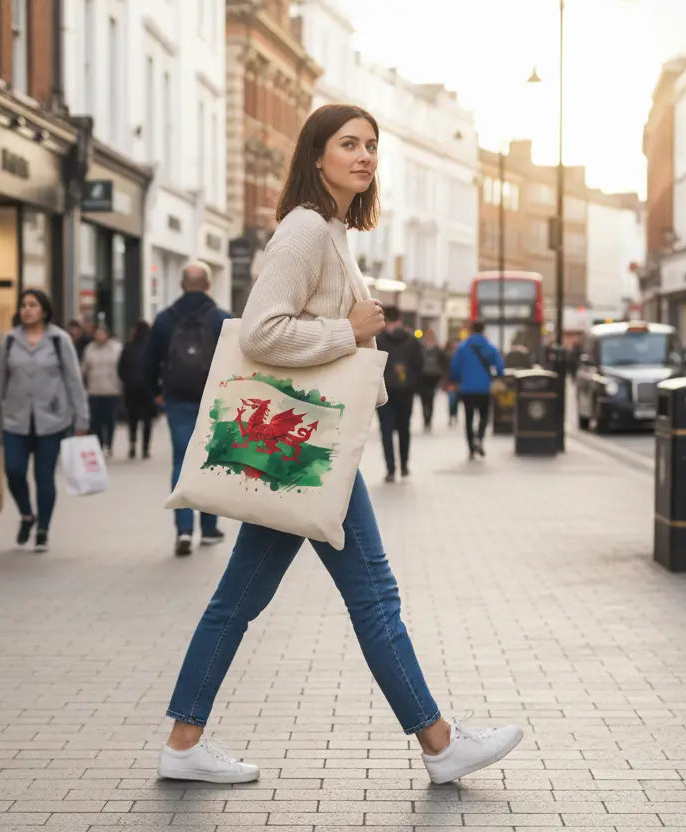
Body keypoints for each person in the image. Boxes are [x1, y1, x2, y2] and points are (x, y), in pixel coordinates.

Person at [158, 103, 522, 787]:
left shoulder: (329, 229)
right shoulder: (303, 230)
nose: (363, 156)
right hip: (307, 446)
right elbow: (263, 332)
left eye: (372, 146)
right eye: (348, 144)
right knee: (374, 596)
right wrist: (347, 332)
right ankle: (440, 744)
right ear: (317, 155)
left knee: (240, 601)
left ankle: (184, 740)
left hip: (304, 445)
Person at [0, 289, 89, 553]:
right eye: (23, 305)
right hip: (15, 420)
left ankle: (42, 529)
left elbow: (73, 380)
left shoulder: (59, 340)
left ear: (44, 310)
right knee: (14, 471)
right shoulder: (9, 340)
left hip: (52, 420)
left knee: (44, 476)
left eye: (32, 305)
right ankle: (26, 515)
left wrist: (82, 418)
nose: (27, 310)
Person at [143, 260, 232, 555]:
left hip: (177, 399)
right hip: (215, 400)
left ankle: (183, 530)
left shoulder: (165, 319)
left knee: (181, 460)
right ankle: (208, 528)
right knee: (211, 460)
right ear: (208, 285)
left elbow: (148, 362)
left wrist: (157, 394)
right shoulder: (221, 318)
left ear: (182, 285)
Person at [377, 307, 424, 481]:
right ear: (400, 319)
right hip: (406, 390)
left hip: (385, 391)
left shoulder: (379, 340)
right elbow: (419, 364)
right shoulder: (412, 340)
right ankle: (404, 465)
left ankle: (390, 469)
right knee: (404, 428)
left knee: (386, 430)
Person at [448, 321, 506, 460]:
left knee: (468, 418)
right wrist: (497, 376)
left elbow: (455, 367)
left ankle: (471, 448)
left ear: (471, 330)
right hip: (484, 388)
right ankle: (479, 437)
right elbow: (500, 366)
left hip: (467, 388)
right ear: (483, 330)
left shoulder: (462, 347)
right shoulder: (490, 347)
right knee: (484, 415)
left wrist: (456, 380)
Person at [118, 319, 158, 459]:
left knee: (132, 418)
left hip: (131, 387)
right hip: (148, 388)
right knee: (147, 420)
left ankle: (132, 445)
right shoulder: (152, 348)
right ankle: (145, 448)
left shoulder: (128, 347)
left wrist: (127, 381)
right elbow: (157, 368)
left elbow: (121, 369)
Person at [81, 324, 123, 457]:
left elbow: (123, 367)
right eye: (97, 334)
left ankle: (109, 444)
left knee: (109, 419)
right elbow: (84, 369)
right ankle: (99, 444)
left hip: (112, 390)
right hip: (94, 390)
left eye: (102, 333)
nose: (99, 336)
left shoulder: (116, 348)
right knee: (96, 420)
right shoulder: (89, 349)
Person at [417, 331, 447, 433]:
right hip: (422, 376)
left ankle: (428, 419)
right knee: (424, 399)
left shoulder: (438, 349)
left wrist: (442, 374)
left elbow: (444, 361)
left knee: (430, 398)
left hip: (433, 376)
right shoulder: (421, 348)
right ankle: (426, 417)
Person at [442, 338, 461, 426]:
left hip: (457, 381)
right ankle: (451, 416)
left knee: (455, 399)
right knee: (452, 399)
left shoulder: (460, 354)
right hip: (450, 381)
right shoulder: (446, 355)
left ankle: (454, 415)